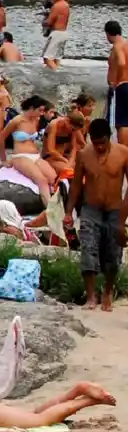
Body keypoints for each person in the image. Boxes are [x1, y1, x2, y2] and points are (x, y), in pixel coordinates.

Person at [72, 119, 128, 310]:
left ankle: (107, 292)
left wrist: (122, 221)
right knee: (88, 250)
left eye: (103, 142)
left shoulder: (123, 153)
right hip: (91, 208)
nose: (100, 147)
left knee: (113, 254)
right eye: (96, 143)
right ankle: (91, 296)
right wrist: (67, 212)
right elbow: (77, 185)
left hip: (114, 209)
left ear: (109, 138)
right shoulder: (83, 155)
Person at [0, 95, 57, 201]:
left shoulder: (36, 120)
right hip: (20, 156)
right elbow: (1, 138)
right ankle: (50, 213)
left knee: (53, 178)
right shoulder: (17, 121)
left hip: (35, 156)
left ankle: (58, 206)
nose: (42, 113)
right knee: (41, 180)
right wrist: (3, 160)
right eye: (40, 110)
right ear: (31, 108)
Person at [108, 21, 128, 143]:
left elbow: (121, 62)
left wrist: (114, 80)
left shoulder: (117, 46)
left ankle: (123, 150)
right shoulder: (126, 43)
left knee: (122, 123)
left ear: (108, 34)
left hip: (122, 86)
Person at [42, 0, 70, 70]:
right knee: (56, 58)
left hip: (56, 34)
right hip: (64, 33)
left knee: (47, 58)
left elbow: (49, 23)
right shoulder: (66, 5)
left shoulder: (56, 6)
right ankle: (56, 72)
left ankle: (57, 75)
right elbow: (59, 18)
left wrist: (44, 20)